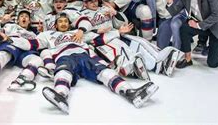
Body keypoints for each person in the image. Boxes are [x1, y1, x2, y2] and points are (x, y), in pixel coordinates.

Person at [9, 13, 158, 114]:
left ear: (69, 24)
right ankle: (61, 95)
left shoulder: (79, 34)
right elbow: (31, 44)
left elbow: (98, 39)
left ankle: (130, 92)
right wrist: (10, 40)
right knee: (63, 71)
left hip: (83, 55)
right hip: (63, 56)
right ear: (55, 25)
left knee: (103, 70)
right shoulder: (47, 35)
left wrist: (119, 32)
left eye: (65, 22)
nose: (63, 23)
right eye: (60, 22)